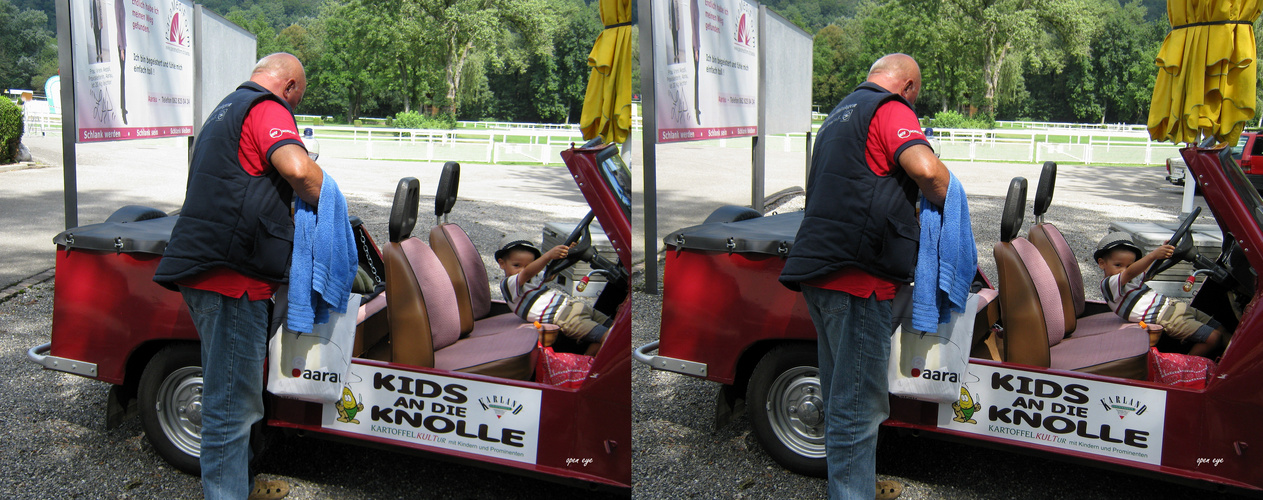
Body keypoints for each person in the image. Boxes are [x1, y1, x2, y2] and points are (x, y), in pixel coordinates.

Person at [779, 53, 951, 500]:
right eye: (916, 93)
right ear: (908, 86)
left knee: (842, 400)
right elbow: (928, 170)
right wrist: (955, 207)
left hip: (820, 274)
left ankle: (852, 486)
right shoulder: (891, 108)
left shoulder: (838, 114)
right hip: (857, 282)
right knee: (859, 409)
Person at [154, 53, 324, 500]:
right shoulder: (268, 108)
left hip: (210, 270)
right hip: (231, 280)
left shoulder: (224, 109)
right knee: (231, 408)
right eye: (298, 98)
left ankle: (240, 484)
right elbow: (299, 169)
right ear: (288, 87)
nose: (295, 106)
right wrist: (333, 204)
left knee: (235, 397)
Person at [1094, 232, 1227, 357]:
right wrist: (1153, 255)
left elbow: (1147, 270)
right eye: (1118, 264)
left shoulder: (1130, 277)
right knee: (1213, 338)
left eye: (1130, 265)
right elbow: (1129, 273)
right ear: (1102, 263)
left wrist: (1163, 250)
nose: (1124, 269)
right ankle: (1185, 369)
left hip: (1175, 306)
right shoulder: (1109, 284)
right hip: (1166, 317)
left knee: (1221, 328)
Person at [495, 234, 610, 355]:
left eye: (528, 265)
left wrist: (568, 252)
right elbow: (527, 273)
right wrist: (548, 255)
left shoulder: (533, 277)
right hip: (566, 318)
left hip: (575, 306)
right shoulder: (509, 283)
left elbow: (552, 273)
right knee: (609, 337)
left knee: (617, 327)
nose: (522, 269)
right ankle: (587, 369)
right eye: (516, 265)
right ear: (502, 263)